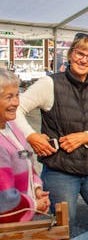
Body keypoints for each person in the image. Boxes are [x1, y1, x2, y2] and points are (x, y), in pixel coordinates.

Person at [15, 33, 88, 232]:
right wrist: (31, 136)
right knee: (63, 229)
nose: (84, 59)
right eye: (80, 53)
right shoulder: (50, 83)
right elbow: (16, 108)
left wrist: (85, 137)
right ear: (70, 55)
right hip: (61, 172)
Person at [0, 69, 50, 223]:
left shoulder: (12, 126)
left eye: (16, 95)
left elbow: (27, 159)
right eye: (9, 97)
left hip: (20, 221)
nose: (16, 102)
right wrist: (34, 204)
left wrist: (36, 187)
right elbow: (5, 199)